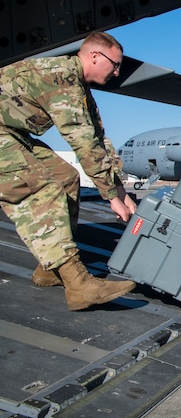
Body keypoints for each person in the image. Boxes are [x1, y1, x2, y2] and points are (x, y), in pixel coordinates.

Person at [0, 31, 137, 310]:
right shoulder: (61, 77)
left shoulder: (78, 86)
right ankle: (78, 284)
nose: (117, 71)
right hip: (5, 132)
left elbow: (97, 137)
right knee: (39, 187)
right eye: (115, 64)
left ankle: (50, 270)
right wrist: (110, 197)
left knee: (65, 178)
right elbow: (83, 143)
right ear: (95, 56)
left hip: (10, 132)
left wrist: (120, 192)